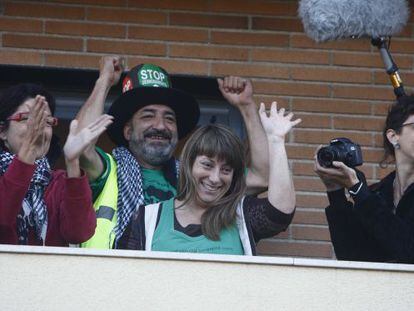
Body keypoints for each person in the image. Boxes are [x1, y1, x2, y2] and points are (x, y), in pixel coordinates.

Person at [76, 56, 269, 249]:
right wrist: (104, 82)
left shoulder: (201, 176)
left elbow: (262, 177)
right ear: (128, 131)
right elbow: (79, 146)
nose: (160, 126)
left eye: (169, 119)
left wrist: (246, 107)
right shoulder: (109, 169)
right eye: (148, 116)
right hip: (118, 275)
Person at [118, 102, 299, 255]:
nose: (215, 178)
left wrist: (276, 140)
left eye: (226, 170)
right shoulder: (146, 218)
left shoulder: (241, 215)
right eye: (207, 165)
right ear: (188, 164)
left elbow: (280, 213)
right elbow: (124, 278)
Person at [0, 83, 113, 246]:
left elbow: (79, 233)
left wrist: (73, 163)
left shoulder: (58, 182)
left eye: (46, 121)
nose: (37, 128)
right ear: (2, 131)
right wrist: (27, 154)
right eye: (27, 119)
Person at [315, 96, 414, 263]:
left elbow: (409, 252)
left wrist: (359, 191)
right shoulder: (379, 193)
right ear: (393, 136)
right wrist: (335, 192)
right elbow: (351, 255)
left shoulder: (369, 197)